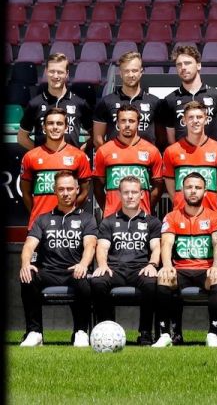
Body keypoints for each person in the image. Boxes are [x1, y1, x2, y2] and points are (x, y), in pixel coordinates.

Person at [19, 170, 97, 347]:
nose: (65, 193)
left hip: (73, 271)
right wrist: (25, 264)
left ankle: (81, 332)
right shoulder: (43, 219)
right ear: (54, 190)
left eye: (70, 189)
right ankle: (35, 332)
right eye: (61, 189)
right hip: (48, 271)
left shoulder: (87, 219)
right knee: (27, 277)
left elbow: (90, 245)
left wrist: (83, 264)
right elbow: (29, 245)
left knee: (83, 279)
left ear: (77, 189)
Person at [152, 172, 217, 347]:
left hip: (205, 268)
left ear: (205, 192)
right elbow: (167, 243)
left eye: (198, 188)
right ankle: (165, 334)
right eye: (189, 187)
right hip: (181, 268)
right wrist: (167, 265)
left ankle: (213, 334)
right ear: (182, 191)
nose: (193, 191)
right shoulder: (172, 216)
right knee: (163, 277)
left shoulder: (215, 217)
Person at [90, 176, 162, 345]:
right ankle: (107, 331)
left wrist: (152, 264)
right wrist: (102, 265)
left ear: (142, 194)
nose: (130, 196)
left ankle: (145, 332)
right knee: (98, 282)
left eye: (134, 192)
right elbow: (102, 247)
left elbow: (156, 247)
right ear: (119, 195)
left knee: (151, 283)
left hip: (140, 269)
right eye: (126, 192)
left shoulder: (152, 221)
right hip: (115, 269)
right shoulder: (109, 221)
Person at [19, 107, 91, 231]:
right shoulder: (30, 157)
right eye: (50, 123)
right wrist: (38, 215)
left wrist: (70, 212)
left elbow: (84, 192)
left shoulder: (79, 156)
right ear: (44, 127)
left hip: (68, 225)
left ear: (66, 127)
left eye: (59, 123)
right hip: (39, 226)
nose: (55, 127)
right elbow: (25, 192)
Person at [92, 104, 164, 218]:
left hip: (142, 217)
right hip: (112, 217)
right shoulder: (104, 151)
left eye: (131, 121)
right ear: (117, 123)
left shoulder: (152, 151)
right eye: (123, 121)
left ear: (138, 123)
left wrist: (146, 207)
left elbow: (158, 187)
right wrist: (108, 210)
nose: (127, 125)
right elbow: (97, 188)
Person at [162, 101, 217, 211]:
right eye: (190, 117)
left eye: (199, 117)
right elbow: (170, 186)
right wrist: (180, 203)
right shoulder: (171, 151)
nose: (195, 121)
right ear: (184, 120)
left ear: (206, 119)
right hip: (181, 214)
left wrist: (210, 203)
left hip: (210, 214)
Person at [18, 53, 91, 150]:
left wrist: (79, 153)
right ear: (46, 71)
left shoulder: (80, 104)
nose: (55, 76)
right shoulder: (35, 104)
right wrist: (40, 154)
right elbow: (22, 138)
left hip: (71, 159)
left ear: (67, 74)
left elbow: (95, 136)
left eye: (60, 72)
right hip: (43, 160)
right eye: (52, 71)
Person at [92, 51, 164, 148]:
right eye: (126, 71)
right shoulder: (106, 102)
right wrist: (110, 154)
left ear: (141, 72)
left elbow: (162, 139)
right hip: (116, 156)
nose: (130, 75)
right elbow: (98, 139)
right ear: (120, 73)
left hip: (145, 156)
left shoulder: (155, 102)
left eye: (134, 70)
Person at [162, 45, 217, 144]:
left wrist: (213, 149)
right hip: (183, 153)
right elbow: (171, 138)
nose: (183, 67)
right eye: (179, 64)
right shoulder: (169, 100)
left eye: (187, 63)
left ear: (198, 65)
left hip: (211, 152)